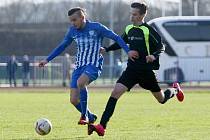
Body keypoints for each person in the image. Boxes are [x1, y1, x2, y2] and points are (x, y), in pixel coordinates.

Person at [88, 2, 184, 136]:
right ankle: (102, 126)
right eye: (131, 14)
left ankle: (175, 89)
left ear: (142, 15)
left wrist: (153, 56)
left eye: (134, 14)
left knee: (161, 99)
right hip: (131, 70)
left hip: (146, 72)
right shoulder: (129, 28)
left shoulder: (147, 30)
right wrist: (107, 49)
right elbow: (121, 42)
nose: (131, 17)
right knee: (115, 93)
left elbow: (161, 46)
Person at [39, 7, 138, 125]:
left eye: (74, 20)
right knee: (73, 100)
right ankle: (91, 117)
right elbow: (62, 46)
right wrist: (47, 60)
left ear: (82, 17)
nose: (72, 23)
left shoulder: (96, 27)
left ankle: (84, 115)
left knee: (81, 83)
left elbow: (116, 37)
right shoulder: (72, 31)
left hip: (93, 64)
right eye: (71, 21)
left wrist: (128, 51)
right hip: (79, 66)